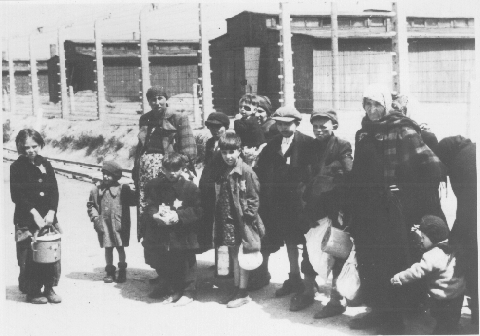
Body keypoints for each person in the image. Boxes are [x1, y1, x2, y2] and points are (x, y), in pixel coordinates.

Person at [348, 84, 444, 333]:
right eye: (367, 104)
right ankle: (377, 311)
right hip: (367, 208)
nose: (372, 110)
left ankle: (395, 320)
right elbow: (358, 172)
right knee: (370, 259)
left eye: (377, 104)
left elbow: (432, 168)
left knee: (393, 260)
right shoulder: (362, 133)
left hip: (393, 211)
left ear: (387, 105)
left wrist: (403, 189)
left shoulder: (403, 129)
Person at [291, 108, 353, 316]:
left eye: (323, 126)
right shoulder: (307, 146)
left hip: (333, 208)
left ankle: (336, 300)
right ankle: (308, 291)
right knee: (308, 250)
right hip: (310, 207)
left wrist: (331, 177)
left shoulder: (341, 146)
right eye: (315, 126)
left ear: (333, 125)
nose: (318, 130)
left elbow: (348, 173)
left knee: (335, 251)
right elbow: (300, 174)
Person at [255, 106, 313, 297]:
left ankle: (308, 283)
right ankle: (293, 278)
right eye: (280, 124)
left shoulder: (307, 144)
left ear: (296, 123)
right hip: (279, 204)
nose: (283, 128)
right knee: (289, 241)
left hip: (300, 204)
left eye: (288, 124)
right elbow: (262, 171)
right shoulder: (272, 145)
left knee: (306, 243)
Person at [133, 86, 197, 246]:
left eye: (160, 98)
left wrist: (175, 165)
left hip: (170, 169)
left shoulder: (178, 118)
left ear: (165, 99)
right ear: (148, 102)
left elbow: (189, 149)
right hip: (146, 172)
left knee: (171, 204)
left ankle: (181, 247)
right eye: (153, 100)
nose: (157, 102)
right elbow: (141, 146)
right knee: (150, 205)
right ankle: (152, 244)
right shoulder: (145, 119)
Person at [142, 153, 203, 306]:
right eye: (168, 169)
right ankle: (168, 286)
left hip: (183, 233)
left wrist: (179, 215)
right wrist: (155, 215)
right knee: (164, 258)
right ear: (162, 169)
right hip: (162, 231)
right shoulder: (156, 186)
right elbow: (150, 205)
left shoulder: (190, 188)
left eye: (176, 169)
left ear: (183, 169)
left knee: (185, 261)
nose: (172, 173)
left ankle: (189, 291)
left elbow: (198, 210)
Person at [213, 131, 265, 308]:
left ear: (239, 150)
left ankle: (243, 292)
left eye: (232, 152)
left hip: (242, 220)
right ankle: (236, 288)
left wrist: (249, 217)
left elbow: (254, 196)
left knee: (243, 256)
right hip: (228, 219)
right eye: (224, 152)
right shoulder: (224, 169)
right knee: (234, 254)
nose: (228, 156)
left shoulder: (246, 171)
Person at [10, 129, 61, 304]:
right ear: (19, 147)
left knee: (49, 254)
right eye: (26, 147)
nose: (31, 150)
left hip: (47, 218)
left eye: (34, 146)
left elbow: (54, 190)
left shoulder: (45, 164)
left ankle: (49, 287)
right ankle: (32, 290)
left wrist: (52, 211)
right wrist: (34, 214)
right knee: (28, 256)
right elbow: (17, 195)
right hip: (26, 219)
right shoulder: (16, 167)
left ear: (40, 145)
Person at [391, 215, 466, 335]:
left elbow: (415, 272)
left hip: (442, 298)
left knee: (441, 325)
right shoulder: (452, 246)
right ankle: (453, 328)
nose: (421, 240)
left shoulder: (431, 256)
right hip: (458, 295)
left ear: (433, 237)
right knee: (451, 321)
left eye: (423, 237)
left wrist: (398, 278)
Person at [437, 135, 478, 326]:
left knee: (465, 267)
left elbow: (466, 205)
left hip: (472, 224)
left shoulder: (459, 162)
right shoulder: (472, 150)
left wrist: (456, 236)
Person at [87, 161, 136, 283]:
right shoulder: (97, 190)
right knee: (108, 248)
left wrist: (134, 189)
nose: (105, 177)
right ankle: (109, 271)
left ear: (116, 176)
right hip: (104, 225)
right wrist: (95, 218)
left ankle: (122, 270)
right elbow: (91, 205)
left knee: (120, 248)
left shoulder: (122, 189)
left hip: (119, 224)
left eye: (108, 174)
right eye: (104, 173)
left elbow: (134, 201)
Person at [198, 112, 230, 252]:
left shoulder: (230, 141)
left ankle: (227, 261)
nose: (215, 130)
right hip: (210, 185)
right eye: (212, 127)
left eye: (219, 127)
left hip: (223, 185)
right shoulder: (210, 142)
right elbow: (207, 163)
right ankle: (219, 260)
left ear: (226, 127)